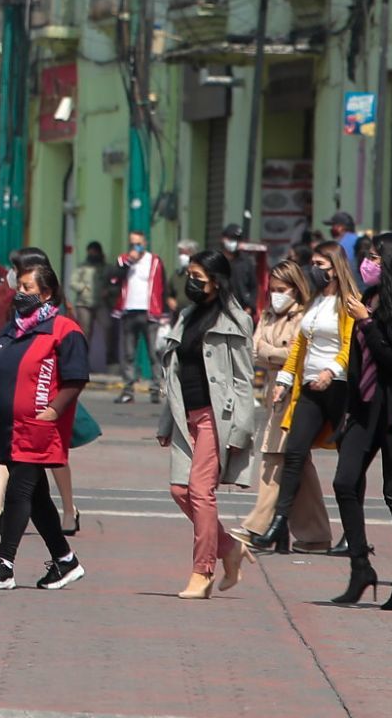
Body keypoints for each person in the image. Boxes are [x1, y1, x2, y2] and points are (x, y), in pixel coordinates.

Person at [0, 261, 89, 591]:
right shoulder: (14, 328)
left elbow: (75, 378)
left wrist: (54, 411)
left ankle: (4, 565)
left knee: (19, 490)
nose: (20, 293)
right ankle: (65, 561)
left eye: (28, 288)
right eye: (19, 287)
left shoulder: (64, 330)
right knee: (37, 496)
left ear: (47, 292)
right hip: (7, 426)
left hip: (37, 427)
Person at [331, 231, 392, 609]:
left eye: (376, 258)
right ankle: (360, 566)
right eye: (367, 257)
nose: (368, 264)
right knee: (344, 481)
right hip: (364, 406)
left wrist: (367, 323)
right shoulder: (367, 298)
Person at [154, 250, 254, 598]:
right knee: (179, 490)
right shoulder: (186, 316)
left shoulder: (235, 321)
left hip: (218, 417)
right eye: (190, 276)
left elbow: (243, 379)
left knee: (200, 491)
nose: (192, 283)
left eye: (199, 276)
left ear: (217, 281)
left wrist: (242, 429)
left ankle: (203, 571)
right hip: (187, 415)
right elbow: (173, 376)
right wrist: (167, 422)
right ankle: (230, 548)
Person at [249, 244, 357, 553]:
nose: (314, 269)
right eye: (313, 263)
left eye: (320, 263)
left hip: (337, 387)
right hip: (308, 388)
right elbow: (299, 346)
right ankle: (278, 524)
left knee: (349, 462)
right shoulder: (315, 302)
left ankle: (352, 533)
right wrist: (284, 379)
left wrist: (332, 370)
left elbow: (350, 345)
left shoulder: (348, 303)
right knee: (294, 452)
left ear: (335, 268)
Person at [236, 260, 333, 554]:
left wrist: (271, 352)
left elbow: (296, 353)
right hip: (273, 392)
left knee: (275, 457)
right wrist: (273, 352)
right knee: (297, 464)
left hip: (296, 393)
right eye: (273, 289)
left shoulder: (303, 315)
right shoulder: (267, 314)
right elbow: (254, 350)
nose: (277, 295)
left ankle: (258, 526)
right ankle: (315, 535)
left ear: (295, 289)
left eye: (283, 289)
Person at [114, 230, 167, 404]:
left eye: (138, 243)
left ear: (145, 243)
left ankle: (155, 389)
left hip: (149, 313)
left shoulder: (155, 261)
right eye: (132, 243)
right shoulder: (123, 260)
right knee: (129, 354)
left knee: (153, 353)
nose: (135, 246)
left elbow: (163, 287)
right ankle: (128, 390)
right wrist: (129, 261)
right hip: (129, 311)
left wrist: (164, 313)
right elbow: (114, 279)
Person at [68, 240, 107, 335]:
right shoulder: (82, 267)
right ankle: (84, 349)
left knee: (108, 327)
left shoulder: (105, 267)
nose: (92, 254)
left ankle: (110, 350)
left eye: (94, 252)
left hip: (101, 303)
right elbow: (72, 282)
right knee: (85, 331)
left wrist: (108, 291)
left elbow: (113, 282)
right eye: (90, 252)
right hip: (84, 304)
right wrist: (83, 288)